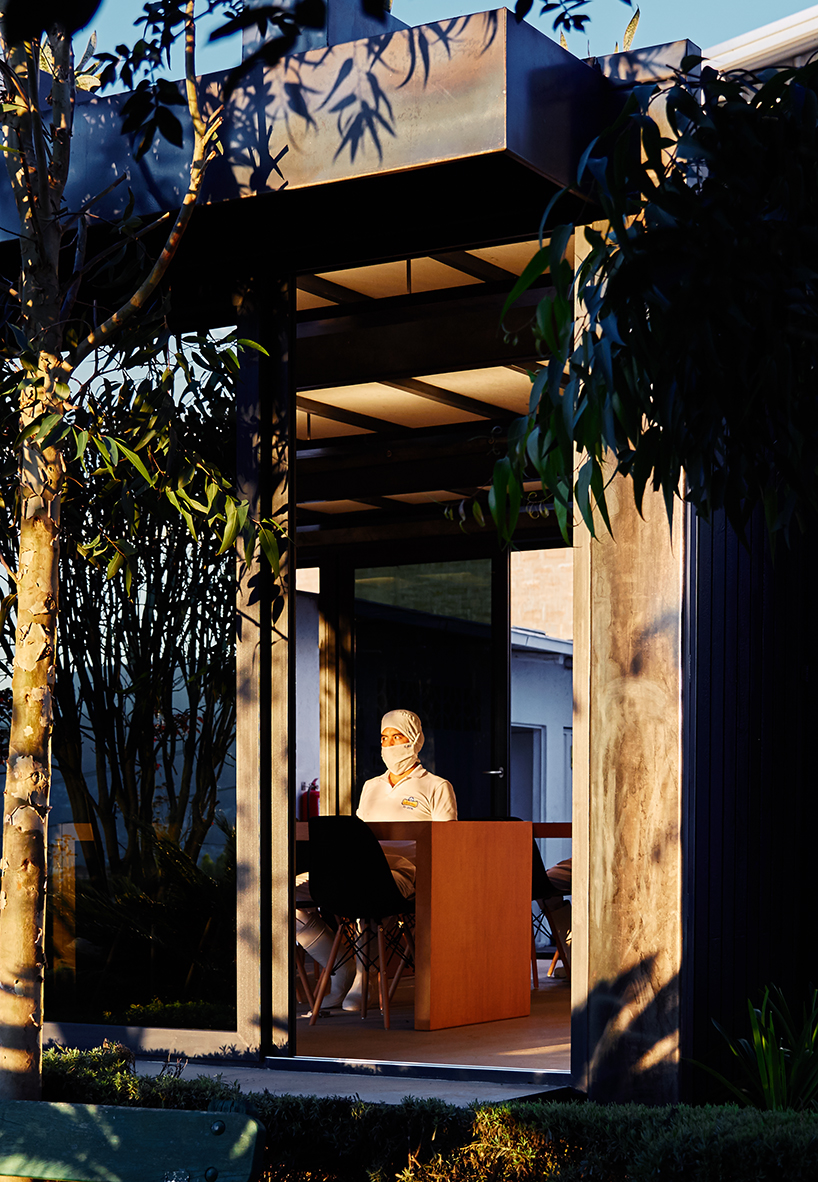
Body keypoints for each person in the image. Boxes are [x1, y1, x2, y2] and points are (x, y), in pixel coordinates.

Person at [296, 708, 456, 1011]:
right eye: (385, 738)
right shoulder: (371, 787)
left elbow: (449, 846)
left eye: (398, 737)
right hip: (358, 869)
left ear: (416, 740)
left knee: (367, 898)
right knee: (282, 896)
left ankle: (366, 977)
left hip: (403, 876)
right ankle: (342, 971)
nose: (391, 745)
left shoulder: (437, 786)